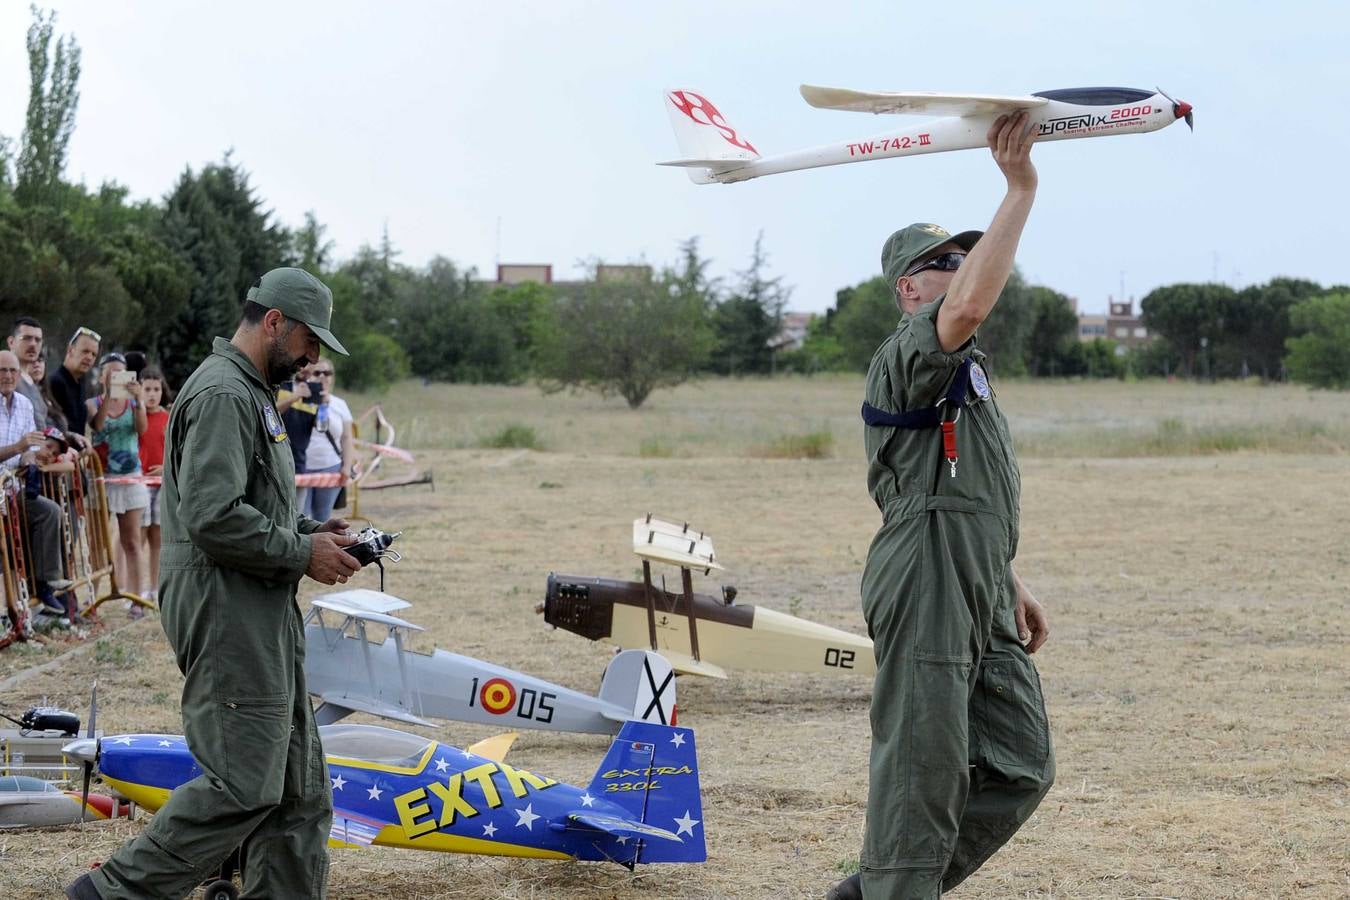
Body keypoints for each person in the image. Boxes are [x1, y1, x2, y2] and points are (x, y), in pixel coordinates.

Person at [67, 267, 361, 900]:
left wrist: (315, 532)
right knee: (242, 782)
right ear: (275, 323)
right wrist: (300, 551)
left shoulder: (252, 391)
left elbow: (248, 501)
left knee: (297, 792)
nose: (313, 357)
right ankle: (109, 894)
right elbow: (211, 515)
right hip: (227, 609)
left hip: (257, 602)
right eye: (311, 340)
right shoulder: (226, 394)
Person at [829, 113, 1054, 900]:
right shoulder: (914, 349)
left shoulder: (970, 373)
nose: (956, 269)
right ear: (908, 289)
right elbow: (965, 310)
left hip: (977, 575)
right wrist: (1019, 188)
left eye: (963, 256)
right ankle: (896, 889)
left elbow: (967, 489)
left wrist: (1008, 576)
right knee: (921, 769)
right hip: (925, 572)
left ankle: (878, 891)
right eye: (938, 263)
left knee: (1021, 763)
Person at [0, 350, 72, 614]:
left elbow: (30, 447)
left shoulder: (25, 404)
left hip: (14, 488)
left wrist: (29, 459)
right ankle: (10, 610)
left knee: (49, 511)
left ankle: (45, 584)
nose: (7, 376)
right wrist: (19, 448)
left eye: (12, 370)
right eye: (2, 370)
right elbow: (21, 445)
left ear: (19, 375)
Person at [87, 353, 150, 614]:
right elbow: (98, 425)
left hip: (130, 477)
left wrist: (139, 401)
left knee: (132, 541)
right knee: (96, 545)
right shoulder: (92, 402)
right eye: (111, 373)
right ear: (102, 376)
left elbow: (142, 429)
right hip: (100, 479)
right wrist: (107, 395)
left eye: (121, 373)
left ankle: (136, 599)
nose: (116, 377)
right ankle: (90, 600)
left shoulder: (134, 402)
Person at [298, 357, 356, 522]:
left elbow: (346, 438)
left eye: (327, 373)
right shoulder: (300, 400)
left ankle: (321, 548)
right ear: (309, 375)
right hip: (303, 467)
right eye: (317, 372)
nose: (323, 376)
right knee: (302, 517)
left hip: (331, 467)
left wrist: (346, 466)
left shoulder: (340, 404)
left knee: (323, 519)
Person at [138, 366, 172, 605]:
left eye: (156, 389)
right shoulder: (136, 416)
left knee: (157, 540)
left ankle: (155, 587)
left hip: (161, 484)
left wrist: (165, 467)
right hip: (138, 483)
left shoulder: (167, 418)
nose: (152, 394)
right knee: (137, 539)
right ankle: (138, 589)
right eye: (147, 389)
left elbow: (175, 450)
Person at [47, 325, 100, 442]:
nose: (89, 357)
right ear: (70, 350)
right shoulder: (56, 382)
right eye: (85, 351)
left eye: (93, 354)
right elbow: (51, 429)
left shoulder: (80, 381)